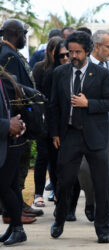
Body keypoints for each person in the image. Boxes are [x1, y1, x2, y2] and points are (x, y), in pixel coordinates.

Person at [49, 31, 109, 243]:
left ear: (88, 51)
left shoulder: (101, 73)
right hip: (69, 135)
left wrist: (89, 104)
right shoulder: (60, 73)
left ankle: (103, 229)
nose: (73, 56)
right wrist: (54, 132)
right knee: (64, 182)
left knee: (101, 186)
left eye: (78, 52)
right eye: (70, 52)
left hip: (95, 137)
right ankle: (59, 220)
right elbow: (53, 105)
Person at [0, 19, 43, 219]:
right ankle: (13, 211)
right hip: (15, 122)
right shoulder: (7, 55)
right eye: (24, 34)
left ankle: (17, 208)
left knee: (17, 170)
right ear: (16, 34)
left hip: (17, 121)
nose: (26, 38)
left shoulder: (11, 53)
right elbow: (12, 91)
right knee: (13, 172)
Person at [32, 36, 64, 207]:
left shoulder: (64, 69)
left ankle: (56, 191)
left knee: (57, 158)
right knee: (43, 156)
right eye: (58, 52)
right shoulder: (40, 68)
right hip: (43, 119)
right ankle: (38, 193)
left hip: (58, 121)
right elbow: (36, 93)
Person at [0, 68, 27, 246]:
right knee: (9, 186)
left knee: (4, 187)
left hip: (9, 142)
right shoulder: (5, 79)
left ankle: (18, 228)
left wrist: (12, 124)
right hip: (10, 140)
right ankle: (15, 228)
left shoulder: (6, 81)